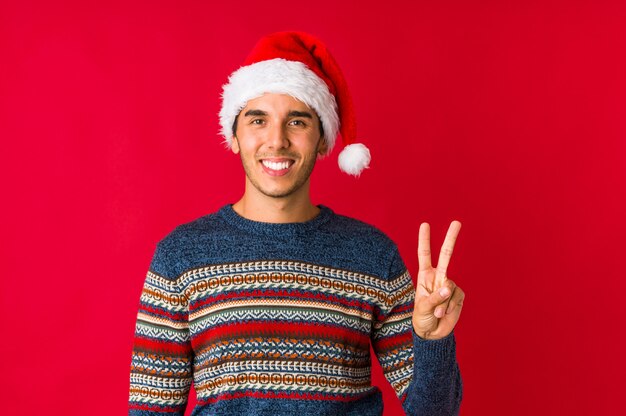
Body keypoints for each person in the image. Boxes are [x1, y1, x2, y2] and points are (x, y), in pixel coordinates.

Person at [129, 31, 465, 416]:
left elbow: (435, 412)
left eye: (298, 122)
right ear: (234, 136)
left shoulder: (373, 254)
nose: (277, 141)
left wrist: (433, 340)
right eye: (258, 120)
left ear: (323, 141)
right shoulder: (180, 256)